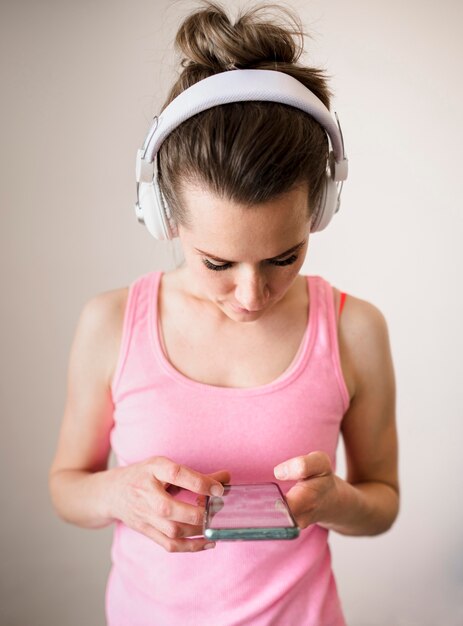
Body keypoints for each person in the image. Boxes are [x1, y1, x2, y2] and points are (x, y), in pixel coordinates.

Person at [48, 2, 399, 625]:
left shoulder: (354, 329)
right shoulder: (109, 325)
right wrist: (116, 493)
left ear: (319, 212)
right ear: (163, 218)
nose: (251, 294)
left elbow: (383, 502)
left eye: (283, 257)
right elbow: (66, 486)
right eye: (217, 263)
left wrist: (333, 499)